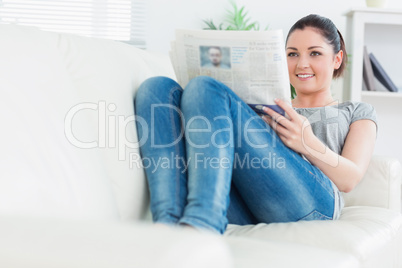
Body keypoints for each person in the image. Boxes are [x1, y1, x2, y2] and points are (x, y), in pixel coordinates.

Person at [134, 14, 377, 234]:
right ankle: (167, 227)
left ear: (337, 59)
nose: (302, 64)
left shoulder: (356, 111)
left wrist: (307, 142)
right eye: (292, 54)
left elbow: (350, 178)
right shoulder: (268, 104)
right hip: (250, 201)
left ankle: (202, 223)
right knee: (156, 90)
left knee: (203, 87)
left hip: (314, 204)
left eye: (315, 53)